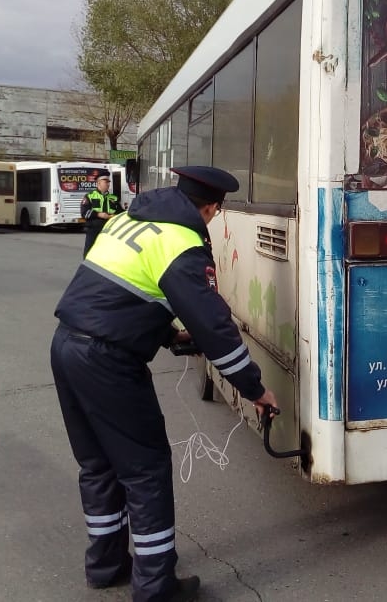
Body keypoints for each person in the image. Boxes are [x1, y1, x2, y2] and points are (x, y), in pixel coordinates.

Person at [50, 165, 278, 602]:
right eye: (215, 214)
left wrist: (164, 334)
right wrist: (254, 389)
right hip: (107, 362)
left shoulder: (128, 219)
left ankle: (106, 565)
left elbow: (115, 291)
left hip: (66, 345)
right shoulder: (182, 241)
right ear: (210, 208)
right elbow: (214, 327)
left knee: (98, 464)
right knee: (146, 470)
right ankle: (155, 588)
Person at [80, 173, 120, 257]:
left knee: (108, 253)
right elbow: (84, 213)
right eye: (106, 182)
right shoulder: (90, 196)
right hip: (94, 229)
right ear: (98, 183)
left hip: (109, 230)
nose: (108, 184)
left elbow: (120, 212)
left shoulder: (114, 198)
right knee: (90, 252)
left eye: (109, 182)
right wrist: (98, 214)